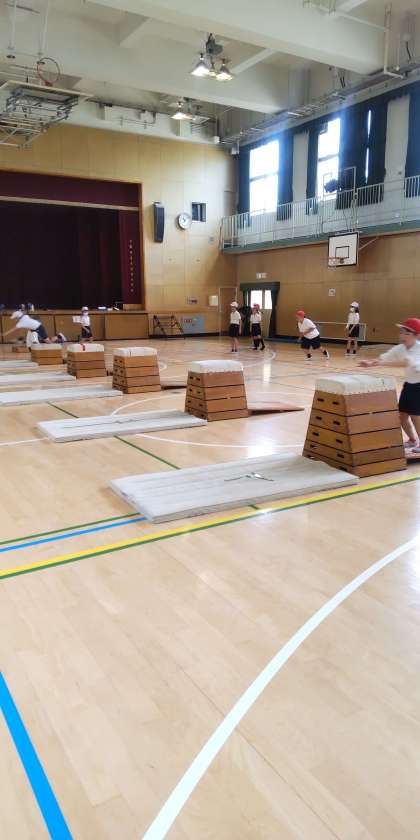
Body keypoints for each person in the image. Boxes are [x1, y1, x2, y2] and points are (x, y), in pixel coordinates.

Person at [360, 317, 420, 452]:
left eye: (407, 333)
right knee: (402, 416)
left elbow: (405, 363)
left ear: (416, 336)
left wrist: (380, 363)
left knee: (416, 416)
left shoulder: (418, 349)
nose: (402, 336)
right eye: (401, 332)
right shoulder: (400, 348)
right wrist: (371, 362)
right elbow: (384, 357)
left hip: (419, 386)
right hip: (409, 385)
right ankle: (412, 440)